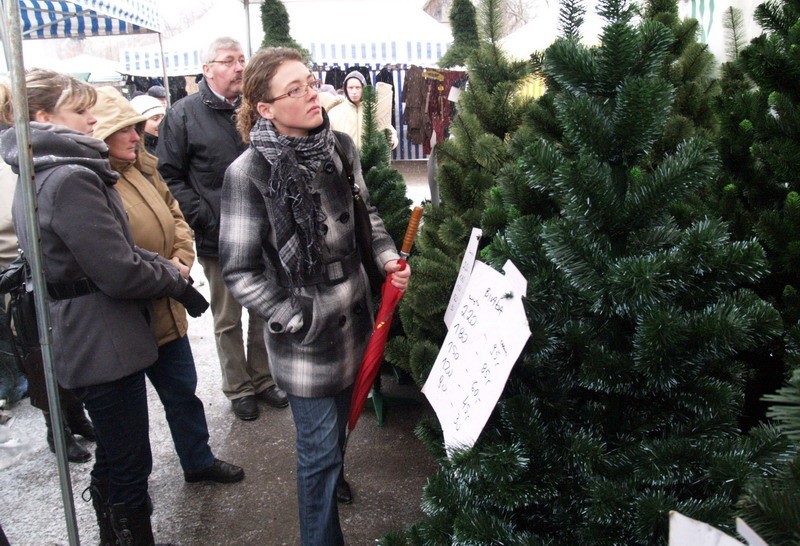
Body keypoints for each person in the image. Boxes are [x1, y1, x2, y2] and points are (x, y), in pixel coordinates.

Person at [0, 68, 206, 544]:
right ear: (43, 117)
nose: (93, 121)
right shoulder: (70, 177)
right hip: (102, 338)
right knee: (129, 460)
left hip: (91, 329)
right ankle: (128, 534)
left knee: (117, 455)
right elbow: (117, 269)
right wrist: (169, 274)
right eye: (81, 111)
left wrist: (154, 262)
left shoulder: (45, 169)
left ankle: (112, 532)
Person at [219, 47, 411, 545]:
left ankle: (334, 481)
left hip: (356, 315)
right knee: (318, 456)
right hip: (306, 334)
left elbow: (366, 216)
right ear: (265, 108)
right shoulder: (248, 173)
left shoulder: (340, 147)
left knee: (339, 435)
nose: (312, 95)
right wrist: (295, 316)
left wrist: (388, 258)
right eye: (295, 89)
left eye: (310, 81)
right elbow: (240, 272)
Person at [90, 86, 244, 486]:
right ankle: (129, 493)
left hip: (168, 306)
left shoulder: (144, 166)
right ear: (102, 135)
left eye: (137, 128)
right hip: (127, 315)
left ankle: (198, 460)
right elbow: (113, 257)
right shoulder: (94, 183)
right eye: (125, 130)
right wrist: (168, 272)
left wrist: (181, 260)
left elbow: (175, 215)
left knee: (183, 393)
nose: (136, 136)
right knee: (128, 416)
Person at [157, 36, 288, 422]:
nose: (238, 67)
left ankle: (263, 379)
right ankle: (238, 387)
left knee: (265, 308)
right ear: (207, 68)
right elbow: (170, 176)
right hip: (219, 236)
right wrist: (205, 217)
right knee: (228, 317)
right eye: (229, 61)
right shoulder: (182, 115)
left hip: (266, 231)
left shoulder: (257, 111)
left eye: (241, 59)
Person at [0, 78, 96, 465]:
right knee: (40, 360)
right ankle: (56, 427)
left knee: (63, 353)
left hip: (45, 266)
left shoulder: (27, 152)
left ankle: (75, 415)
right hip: (17, 273)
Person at [326, 70, 398, 151]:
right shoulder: (334, 113)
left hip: (369, 160)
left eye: (357, 87)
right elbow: (328, 139)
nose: (354, 92)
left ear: (363, 88)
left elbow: (388, 128)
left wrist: (391, 140)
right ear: (345, 89)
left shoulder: (373, 110)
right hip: (345, 161)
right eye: (350, 88)